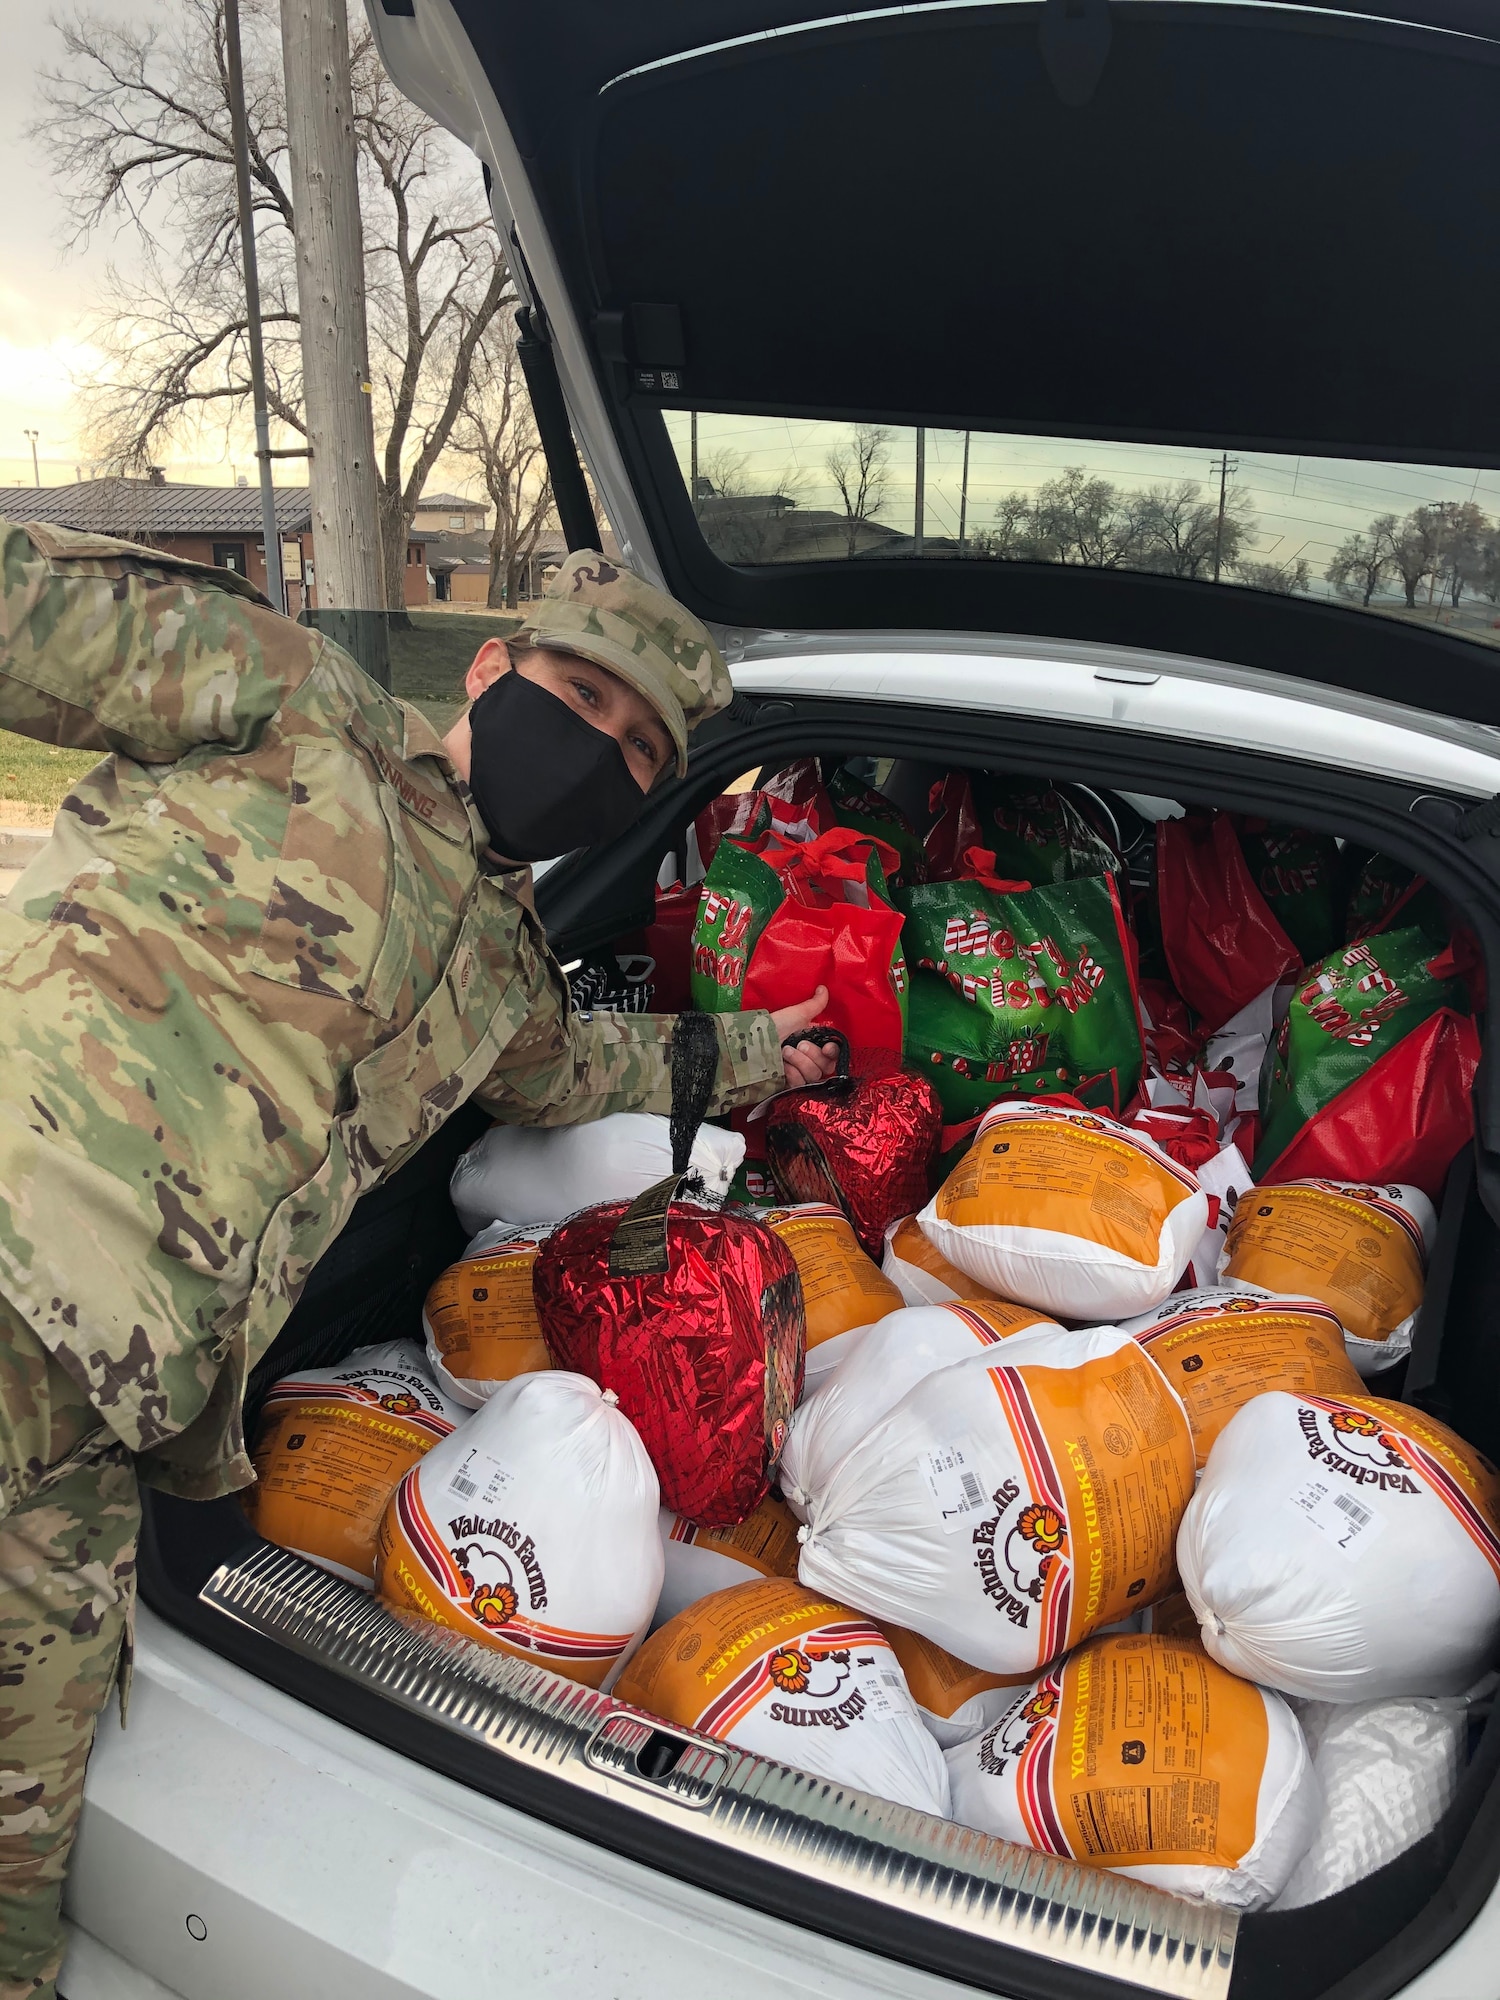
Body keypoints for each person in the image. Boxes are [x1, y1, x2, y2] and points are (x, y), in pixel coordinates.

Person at [0, 523, 838, 1999]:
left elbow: (575, 1068)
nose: (601, 754)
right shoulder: (288, 700)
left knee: (19, 1869)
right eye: (584, 702)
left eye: (639, 751)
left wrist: (774, 1052)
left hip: (118, 1419)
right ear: (497, 666)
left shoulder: (504, 961)